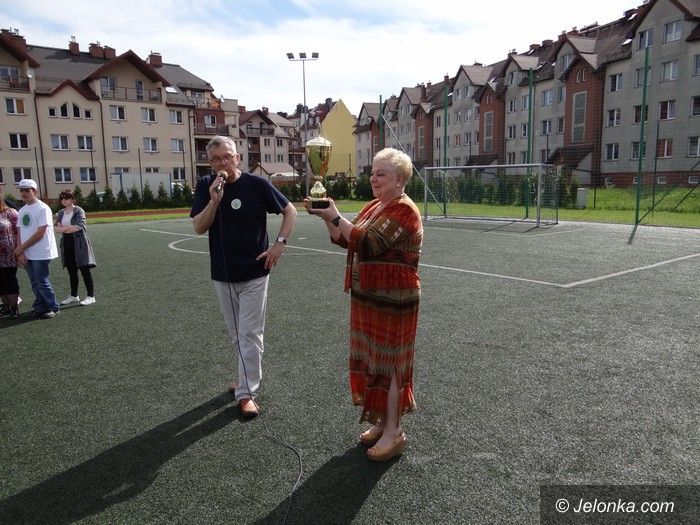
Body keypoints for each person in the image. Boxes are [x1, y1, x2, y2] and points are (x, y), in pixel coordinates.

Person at [305, 147, 423, 462]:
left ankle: (394, 432)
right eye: (372, 173)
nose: (373, 178)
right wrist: (326, 217)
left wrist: (335, 215)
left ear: (400, 179)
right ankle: (383, 423)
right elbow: (347, 239)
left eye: (381, 174)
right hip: (369, 297)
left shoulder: (404, 209)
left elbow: (368, 243)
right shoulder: (374, 206)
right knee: (374, 362)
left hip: (394, 300)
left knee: (391, 365)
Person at [191, 136, 297, 418]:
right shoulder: (206, 186)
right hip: (223, 274)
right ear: (210, 163)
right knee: (237, 335)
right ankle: (244, 379)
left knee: (250, 333)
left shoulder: (257, 184)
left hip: (255, 273)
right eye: (216, 159)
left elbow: (290, 210)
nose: (222, 163)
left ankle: (247, 393)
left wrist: (279, 244)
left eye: (227, 157)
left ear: (237, 158)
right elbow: (199, 227)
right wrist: (214, 201)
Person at [14, 179, 60, 319]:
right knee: (34, 281)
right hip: (27, 252)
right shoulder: (22, 210)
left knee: (41, 281)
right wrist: (20, 251)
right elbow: (19, 231)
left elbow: (41, 233)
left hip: (41, 252)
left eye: (27, 190)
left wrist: (21, 248)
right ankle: (40, 306)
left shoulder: (43, 208)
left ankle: (53, 307)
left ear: (34, 191)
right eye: (22, 190)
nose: (24, 193)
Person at [54, 189, 97, 306]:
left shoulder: (78, 210)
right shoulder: (61, 212)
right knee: (71, 271)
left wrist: (63, 229)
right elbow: (56, 228)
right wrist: (67, 228)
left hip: (79, 243)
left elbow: (79, 226)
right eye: (62, 198)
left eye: (66, 198)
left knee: (84, 270)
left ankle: (91, 296)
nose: (63, 200)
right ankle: (74, 295)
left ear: (72, 199)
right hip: (67, 243)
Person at [0, 186, 20, 319]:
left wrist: (20, 250)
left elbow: (19, 232)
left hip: (8, 255)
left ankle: (14, 308)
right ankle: (6, 307)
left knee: (9, 280)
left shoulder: (11, 213)